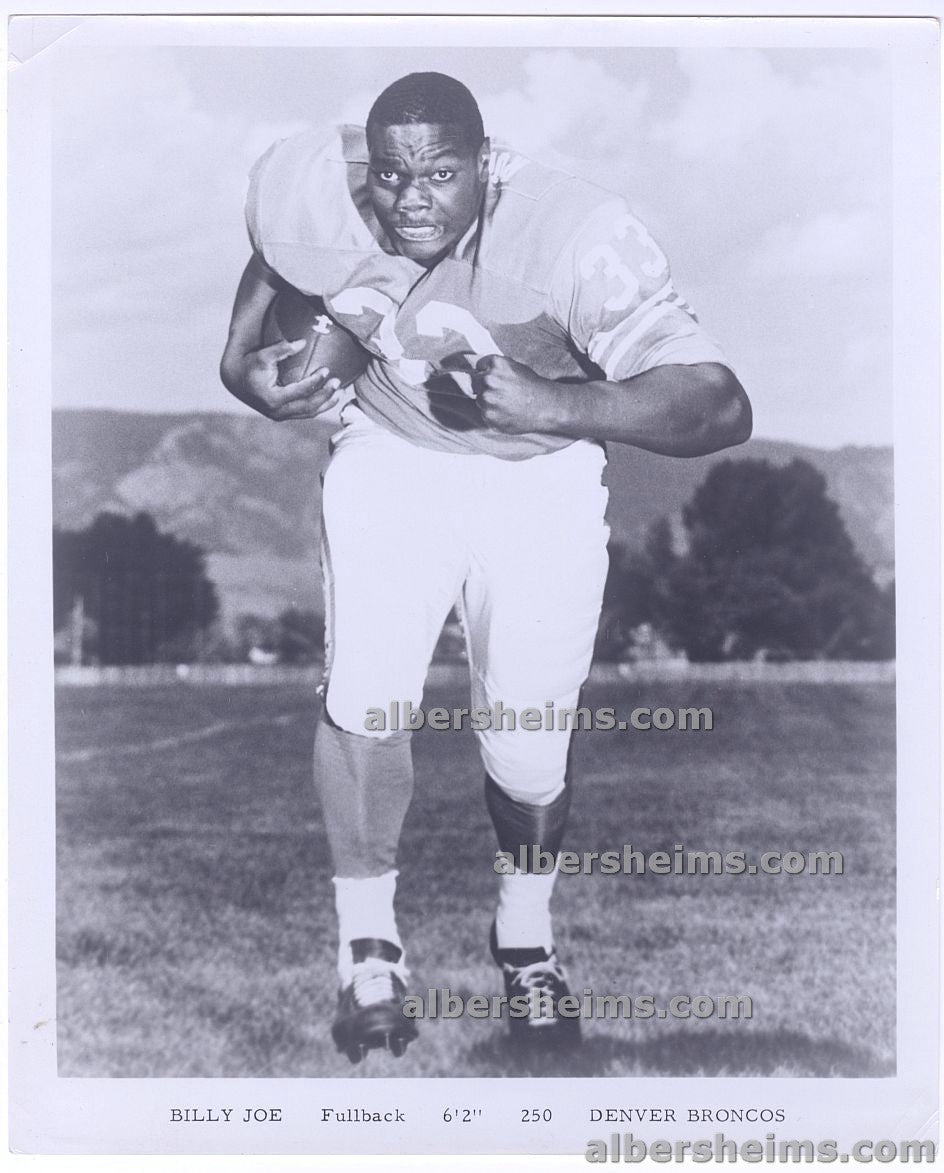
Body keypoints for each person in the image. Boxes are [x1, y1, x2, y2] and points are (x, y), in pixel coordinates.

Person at [220, 71, 751, 1063]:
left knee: (525, 753)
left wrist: (556, 404)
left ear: (485, 166)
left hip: (535, 475)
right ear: (365, 168)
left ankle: (523, 938)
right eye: (391, 176)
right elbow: (276, 247)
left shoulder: (573, 237)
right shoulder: (327, 176)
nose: (411, 197)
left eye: (440, 174)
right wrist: (238, 361)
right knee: (366, 698)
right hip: (389, 454)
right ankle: (368, 955)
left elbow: (719, 406)